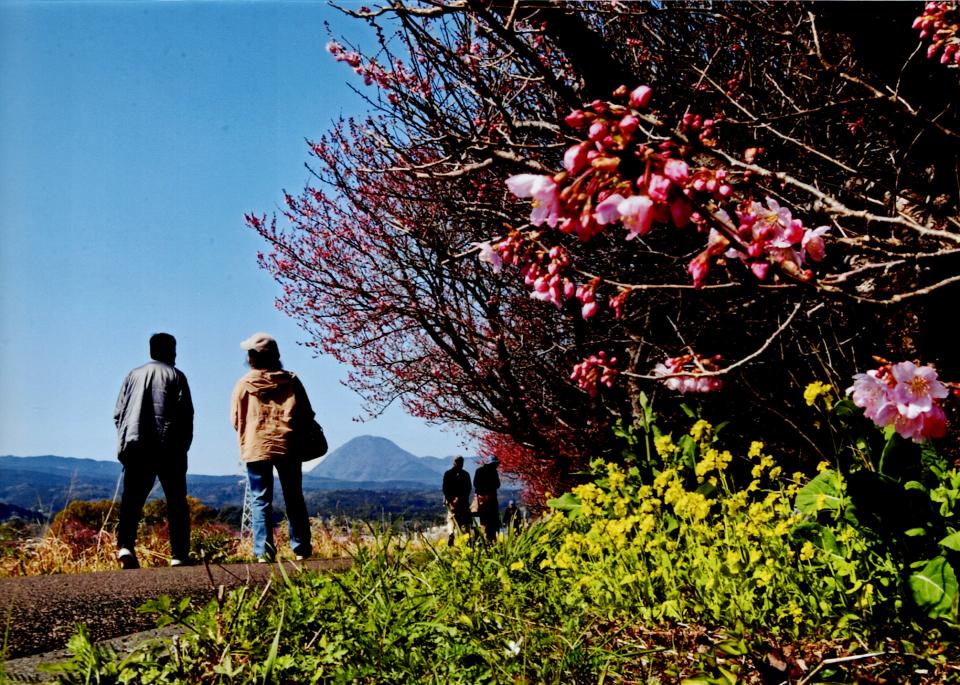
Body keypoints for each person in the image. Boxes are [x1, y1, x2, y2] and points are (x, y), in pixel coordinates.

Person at [231, 332, 314, 562]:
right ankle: (301, 548)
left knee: (260, 499)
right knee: (294, 496)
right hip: (288, 444)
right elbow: (306, 413)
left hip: (256, 446)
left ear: (253, 358)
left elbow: (235, 418)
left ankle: (263, 551)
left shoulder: (244, 384)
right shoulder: (292, 381)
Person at [114, 333, 194, 569]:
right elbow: (185, 415)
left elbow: (119, 413)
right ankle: (179, 554)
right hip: (169, 448)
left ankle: (125, 546)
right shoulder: (176, 376)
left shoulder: (132, 375)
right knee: (176, 501)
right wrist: (182, 447)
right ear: (171, 351)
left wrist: (124, 441)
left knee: (131, 501)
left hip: (136, 445)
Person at [442, 456, 472, 545]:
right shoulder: (466, 474)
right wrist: (459, 498)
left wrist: (451, 500)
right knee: (464, 521)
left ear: (453, 462)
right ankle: (465, 539)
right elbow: (468, 489)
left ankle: (451, 533)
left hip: (451, 503)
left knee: (451, 519)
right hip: (463, 502)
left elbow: (445, 489)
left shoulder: (448, 474)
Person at [473, 457, 501, 542]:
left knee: (476, 516)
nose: (497, 466)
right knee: (492, 520)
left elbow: (475, 484)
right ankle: (490, 538)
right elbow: (497, 484)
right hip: (490, 500)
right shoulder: (494, 472)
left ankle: (478, 536)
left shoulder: (479, 471)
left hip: (480, 499)